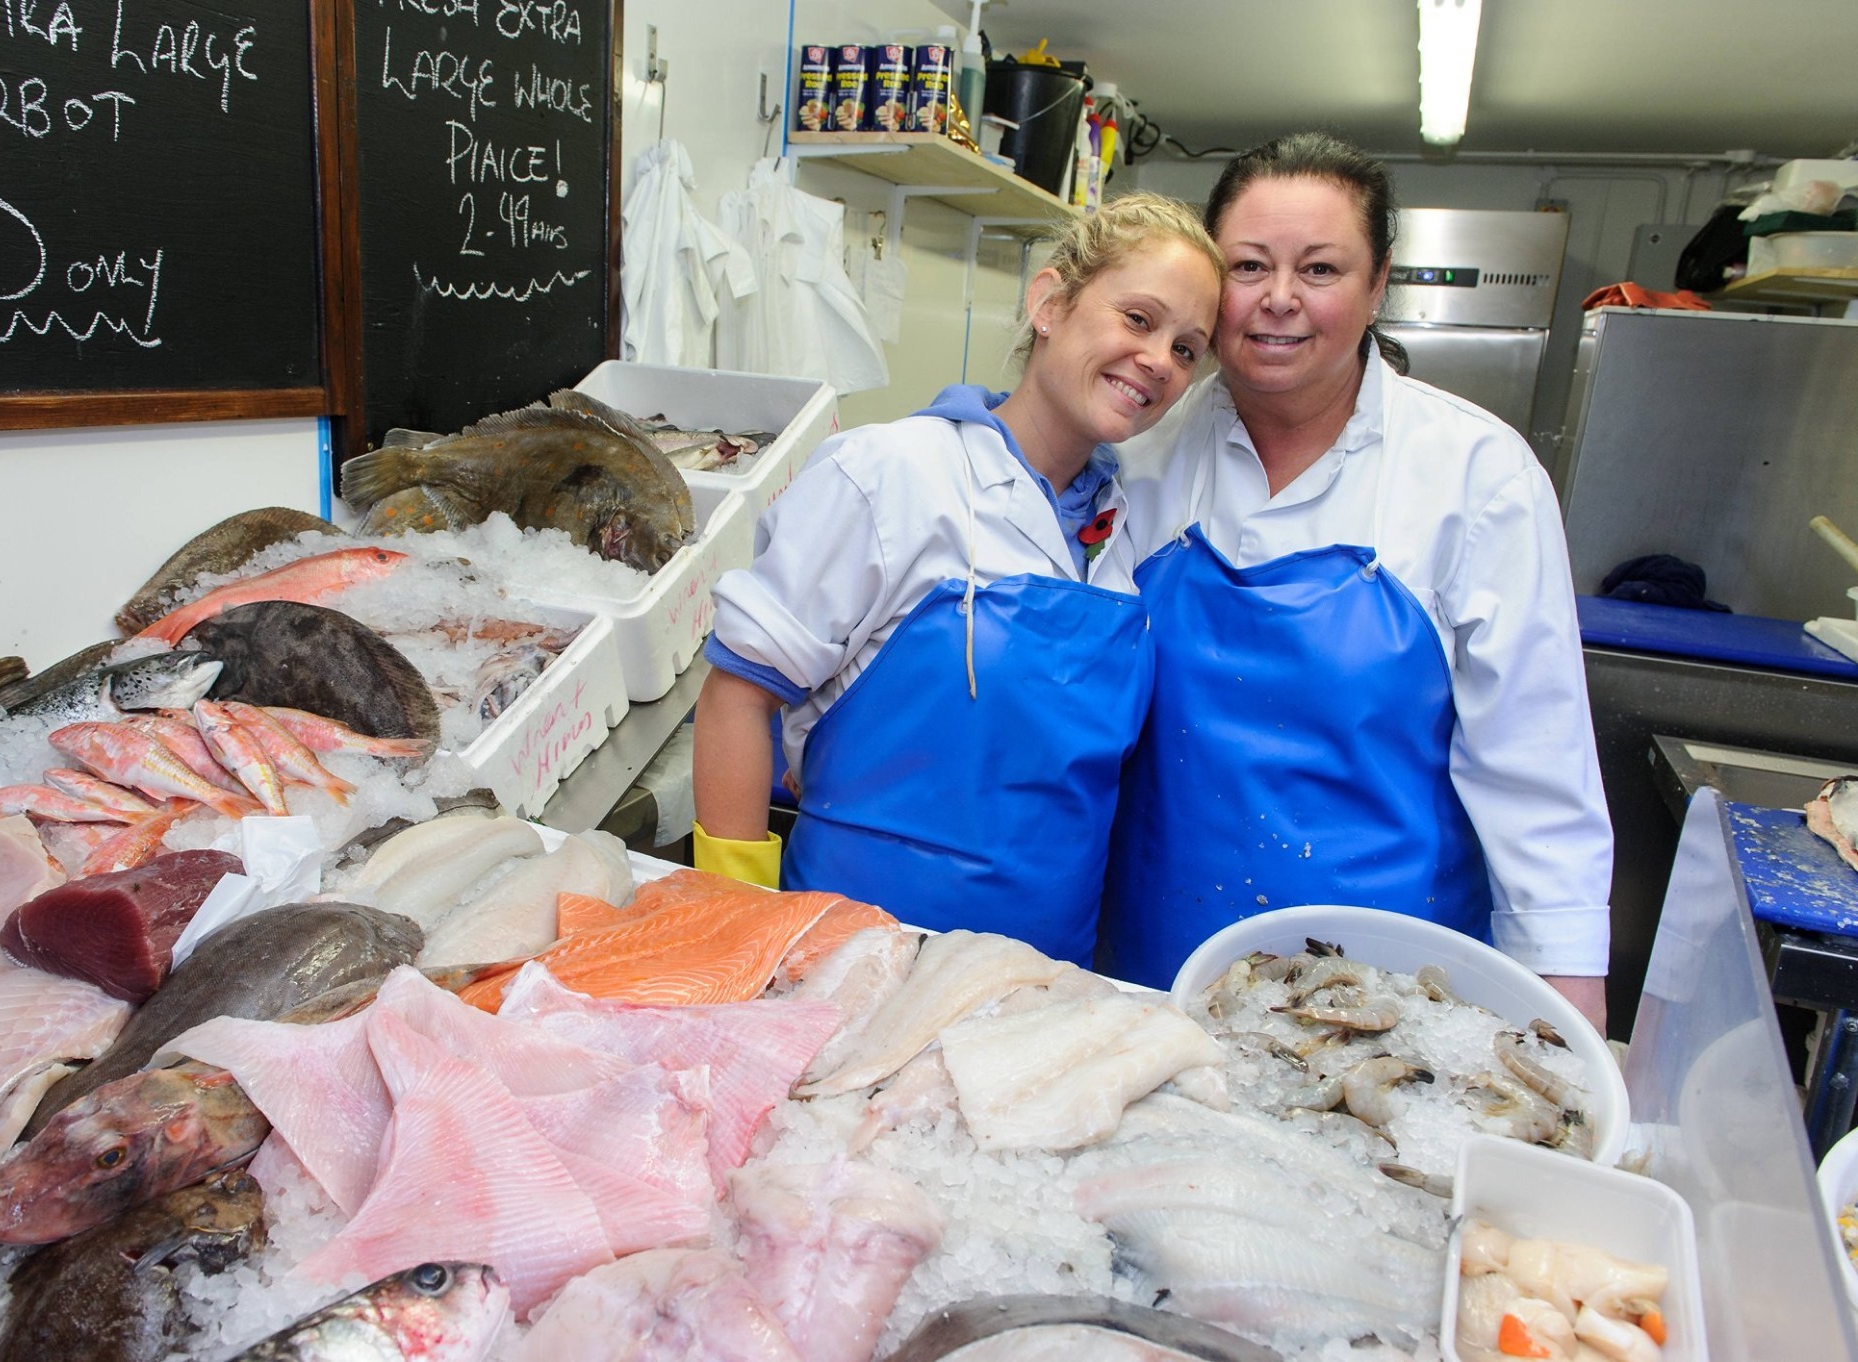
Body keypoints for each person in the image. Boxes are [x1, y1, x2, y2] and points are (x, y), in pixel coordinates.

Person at [1102, 134, 1613, 1030]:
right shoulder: (1141, 455)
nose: (1280, 299)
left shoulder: (1475, 474)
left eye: (1322, 268)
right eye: (1250, 265)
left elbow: (1535, 772)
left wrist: (1569, 1024)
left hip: (1385, 991)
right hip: (1152, 963)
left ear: (1379, 288)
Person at [690, 194, 1225, 967]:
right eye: (1138, 319)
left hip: (1042, 972)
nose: (1158, 360)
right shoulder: (891, 475)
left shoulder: (1133, 528)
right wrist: (733, 926)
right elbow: (739, 695)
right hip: (848, 956)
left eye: (1187, 349)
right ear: (1049, 303)